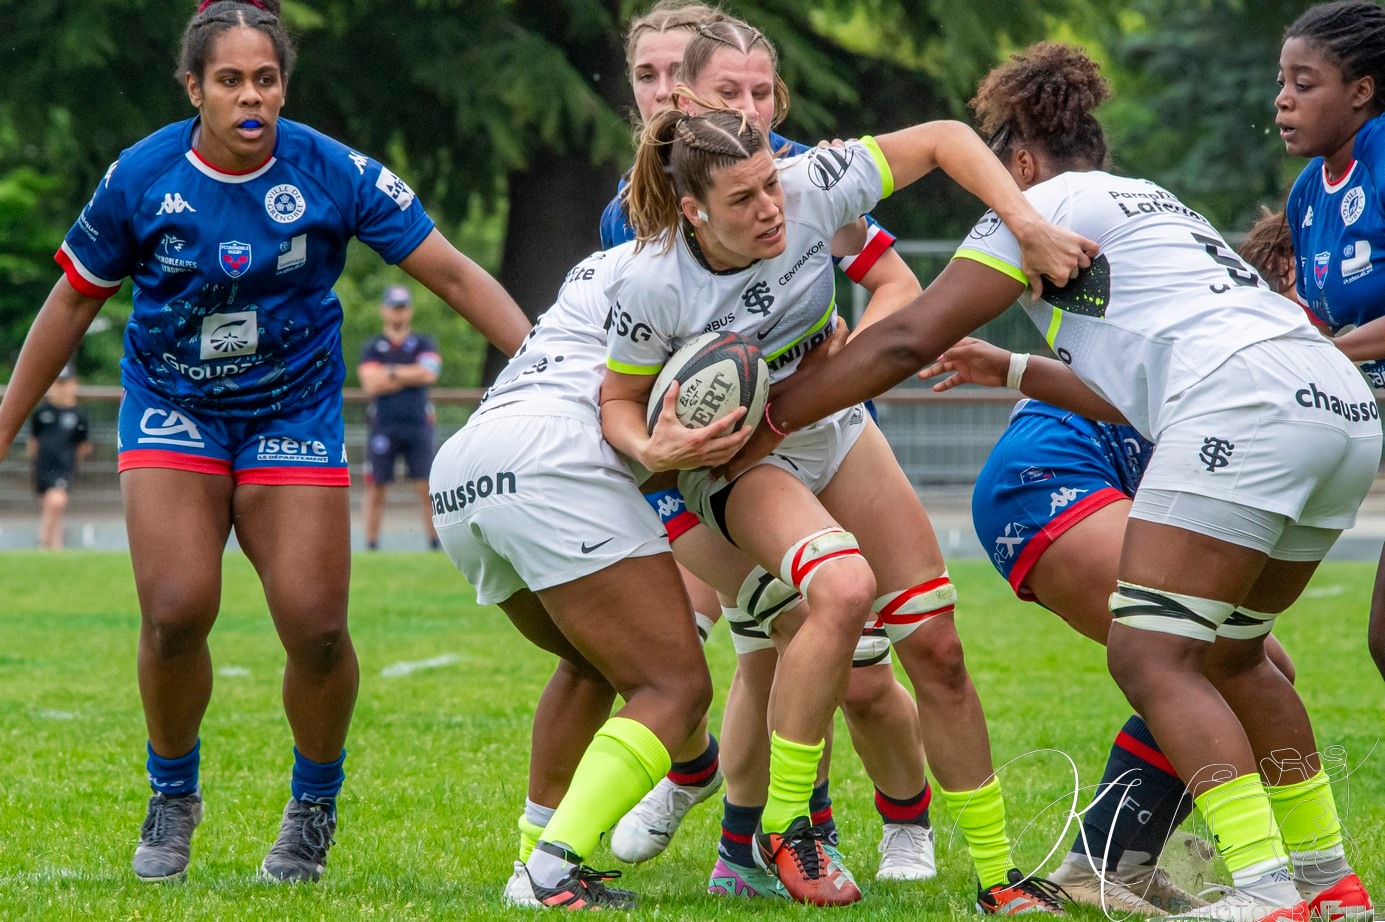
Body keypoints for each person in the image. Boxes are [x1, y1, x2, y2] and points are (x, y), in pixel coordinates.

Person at [730, 40, 1379, 922]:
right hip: (1336, 405)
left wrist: (764, 423)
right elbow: (1134, 392)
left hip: (1244, 403)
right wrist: (1008, 369)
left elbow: (900, 339)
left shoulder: (1035, 205)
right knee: (1232, 655)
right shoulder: (1154, 204)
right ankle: (1327, 884)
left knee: (1151, 654)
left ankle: (1267, 894)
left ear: (1019, 163)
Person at [0, 0, 530, 885]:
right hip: (175, 406)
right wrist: (6, 420)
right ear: (194, 90)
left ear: (284, 85)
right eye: (231, 81)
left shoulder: (334, 170)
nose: (252, 97)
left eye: (267, 80)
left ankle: (312, 806)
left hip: (295, 410)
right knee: (176, 611)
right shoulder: (142, 175)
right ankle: (173, 794)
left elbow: (450, 270)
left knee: (317, 629)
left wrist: (543, 363)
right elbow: (71, 301)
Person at [599, 100, 1093, 908]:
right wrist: (654, 450)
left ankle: (1002, 881)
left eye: (770, 185)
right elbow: (617, 402)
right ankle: (789, 825)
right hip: (738, 457)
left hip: (832, 425)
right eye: (742, 200)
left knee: (935, 646)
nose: (770, 209)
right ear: (693, 211)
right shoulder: (651, 281)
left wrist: (1024, 222)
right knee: (842, 588)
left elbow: (943, 137)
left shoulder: (812, 184)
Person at [599, 9, 937, 895]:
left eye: (754, 91)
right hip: (707, 468)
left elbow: (897, 285)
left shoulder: (790, 183)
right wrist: (663, 450)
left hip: (808, 443)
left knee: (835, 660)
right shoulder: (635, 220)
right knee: (766, 643)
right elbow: (633, 381)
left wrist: (843, 368)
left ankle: (865, 825)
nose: (741, 104)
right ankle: (747, 828)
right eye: (646, 74)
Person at [949, 207, 1303, 917]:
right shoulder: (1244, 338)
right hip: (1046, 476)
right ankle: (1243, 879)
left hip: (1090, 482)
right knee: (1209, 662)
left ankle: (1110, 863)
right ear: (1287, 280)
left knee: (1244, 664)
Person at [433, 246, 720, 911]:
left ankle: (534, 849)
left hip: (465, 463)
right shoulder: (695, 271)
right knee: (673, 686)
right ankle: (549, 871)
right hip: (554, 458)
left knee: (592, 664)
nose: (769, 205)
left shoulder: (600, 260)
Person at [1276, 0, 1385, 687]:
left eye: (1302, 84)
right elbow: (1307, 318)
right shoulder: (1306, 194)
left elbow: (1326, 344)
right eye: (1280, 84)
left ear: (1361, 91)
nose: (1282, 101)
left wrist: (1325, 354)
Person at [357, 283, 442, 551]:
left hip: (418, 425)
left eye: (403, 308)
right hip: (383, 425)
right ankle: (371, 545)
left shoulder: (424, 341)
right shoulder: (373, 346)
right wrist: (409, 374)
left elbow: (429, 373)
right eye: (394, 308)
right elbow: (370, 383)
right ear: (384, 311)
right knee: (376, 489)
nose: (398, 314)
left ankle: (435, 543)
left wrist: (390, 372)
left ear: (410, 311)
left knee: (427, 488)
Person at [27, 365, 92, 551]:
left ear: (74, 384)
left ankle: (42, 541)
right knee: (52, 507)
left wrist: (70, 462)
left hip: (64, 467)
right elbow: (34, 441)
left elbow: (83, 445)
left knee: (56, 501)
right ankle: (57, 547)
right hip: (43, 466)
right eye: (58, 383)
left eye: (65, 383)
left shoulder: (78, 414)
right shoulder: (41, 412)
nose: (61, 388)